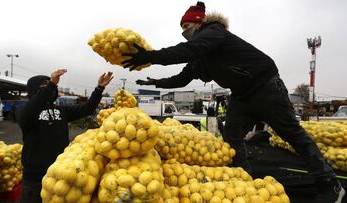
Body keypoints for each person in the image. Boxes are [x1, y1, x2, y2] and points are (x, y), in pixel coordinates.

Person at [121, 2, 345, 202]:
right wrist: (156, 83)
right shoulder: (200, 57)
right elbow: (183, 77)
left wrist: (151, 56)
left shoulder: (214, 32)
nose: (184, 32)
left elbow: (188, 50)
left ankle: (330, 184)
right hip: (242, 95)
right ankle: (243, 177)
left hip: (266, 86)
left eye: (186, 27)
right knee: (232, 136)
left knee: (293, 135)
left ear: (198, 24)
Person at [18, 69, 113, 203]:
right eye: (43, 85)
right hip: (35, 176)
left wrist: (99, 88)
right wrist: (51, 85)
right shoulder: (26, 112)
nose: (49, 87)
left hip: (60, 173)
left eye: (49, 84)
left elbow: (87, 108)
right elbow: (34, 105)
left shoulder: (60, 110)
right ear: (35, 90)